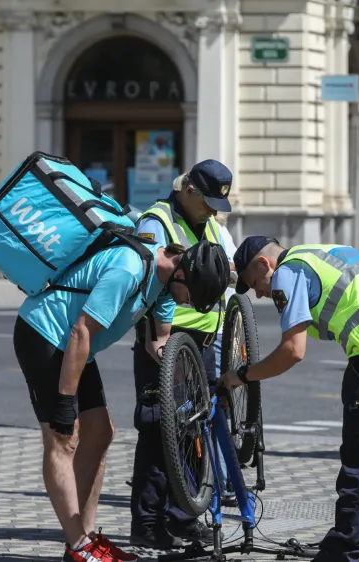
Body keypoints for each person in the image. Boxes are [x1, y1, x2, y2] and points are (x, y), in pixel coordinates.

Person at [12, 233, 230, 562]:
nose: (187, 303)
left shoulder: (165, 284)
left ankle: (85, 538)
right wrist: (62, 403)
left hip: (73, 348)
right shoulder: (128, 270)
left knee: (100, 433)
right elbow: (82, 330)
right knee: (62, 438)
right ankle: (78, 547)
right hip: (45, 334)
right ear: (182, 273)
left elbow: (159, 344)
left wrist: (192, 381)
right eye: (191, 295)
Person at [222, 237, 359, 562]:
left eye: (255, 285)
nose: (261, 294)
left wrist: (244, 375)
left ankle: (342, 553)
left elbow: (293, 351)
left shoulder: (288, 271)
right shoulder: (319, 252)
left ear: (264, 264)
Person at [129, 160, 235, 549]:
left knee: (194, 432)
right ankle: (148, 522)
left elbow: (227, 268)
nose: (213, 210)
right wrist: (160, 336)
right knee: (160, 429)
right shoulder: (156, 222)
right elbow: (153, 281)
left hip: (202, 343)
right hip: (165, 340)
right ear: (188, 189)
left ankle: (183, 516)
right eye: (207, 201)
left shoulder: (208, 224)